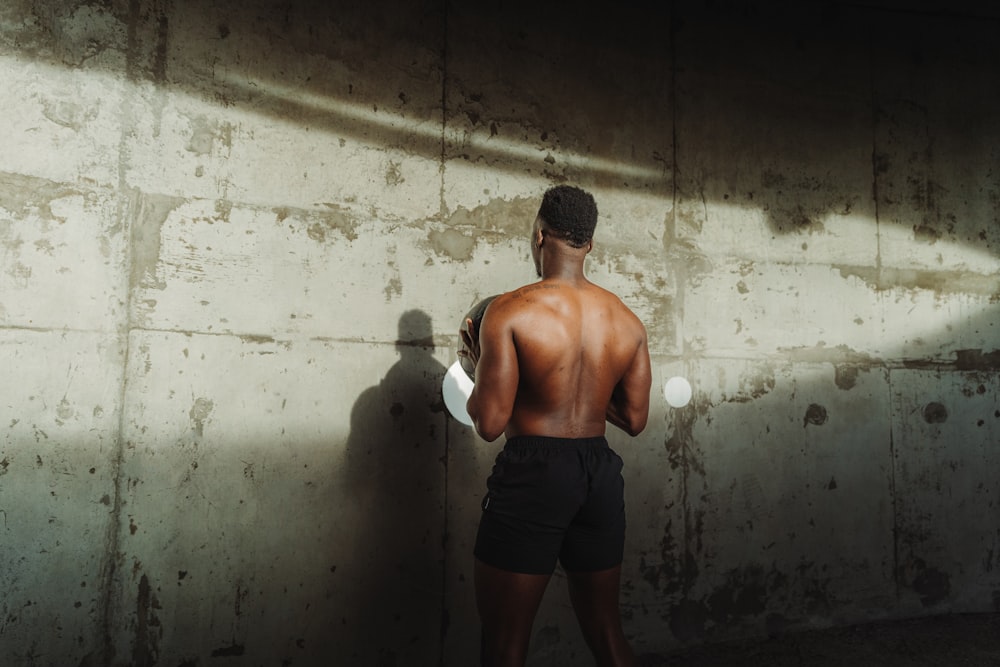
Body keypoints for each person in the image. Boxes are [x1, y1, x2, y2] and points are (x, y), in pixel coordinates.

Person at [459, 185, 652, 666]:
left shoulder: (509, 310)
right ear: (589, 244)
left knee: (505, 644)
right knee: (608, 633)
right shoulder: (627, 322)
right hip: (599, 473)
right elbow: (634, 418)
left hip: (535, 473)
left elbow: (489, 422)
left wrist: (477, 364)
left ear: (539, 235)